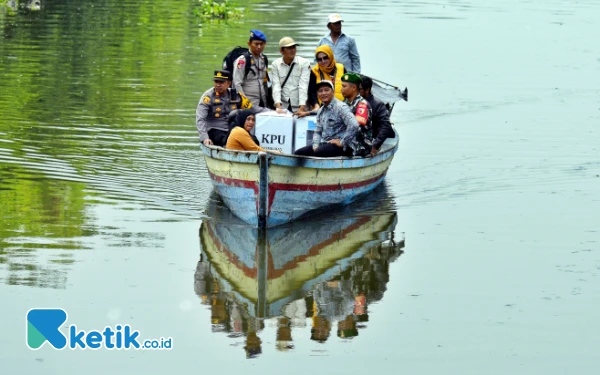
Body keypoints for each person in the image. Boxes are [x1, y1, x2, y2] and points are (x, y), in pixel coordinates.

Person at [294, 80, 359, 158]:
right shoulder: (321, 111)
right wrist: (315, 145)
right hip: (325, 144)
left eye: (326, 90)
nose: (323, 93)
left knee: (319, 152)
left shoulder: (341, 107)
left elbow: (354, 125)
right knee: (298, 154)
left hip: (344, 147)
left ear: (333, 92)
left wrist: (342, 142)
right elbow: (317, 131)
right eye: (320, 91)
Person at [196, 70, 253, 147]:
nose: (218, 85)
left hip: (233, 129)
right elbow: (200, 119)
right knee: (226, 140)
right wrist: (205, 138)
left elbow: (251, 109)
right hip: (215, 130)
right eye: (216, 82)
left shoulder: (236, 95)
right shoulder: (208, 97)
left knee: (254, 140)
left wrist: (271, 111)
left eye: (221, 82)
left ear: (229, 83)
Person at [270, 37, 311, 113]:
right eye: (289, 48)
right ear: (281, 51)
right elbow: (276, 86)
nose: (292, 50)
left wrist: (302, 107)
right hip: (283, 104)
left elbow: (303, 86)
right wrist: (278, 106)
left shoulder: (304, 63)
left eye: (294, 47)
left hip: (298, 104)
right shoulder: (275, 64)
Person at [359, 75, 395, 156]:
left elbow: (386, 127)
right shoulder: (356, 102)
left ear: (367, 90)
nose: (357, 91)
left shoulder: (378, 105)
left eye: (359, 89)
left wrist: (375, 145)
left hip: (376, 136)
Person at [232, 29, 270, 108]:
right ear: (249, 44)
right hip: (247, 102)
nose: (259, 47)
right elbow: (237, 83)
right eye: (256, 44)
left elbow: (264, 81)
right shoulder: (242, 60)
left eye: (261, 44)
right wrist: (244, 101)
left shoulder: (264, 59)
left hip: (262, 101)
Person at [341, 72, 373, 157]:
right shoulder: (345, 103)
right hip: (348, 141)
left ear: (354, 88)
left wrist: (341, 142)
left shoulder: (362, 105)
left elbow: (357, 129)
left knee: (327, 150)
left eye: (344, 86)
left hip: (360, 145)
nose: (341, 89)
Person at [306, 45, 346, 111]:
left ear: (330, 56)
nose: (323, 61)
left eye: (325, 58)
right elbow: (312, 92)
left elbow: (347, 87)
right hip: (322, 108)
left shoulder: (341, 68)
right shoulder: (314, 71)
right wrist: (316, 105)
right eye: (319, 59)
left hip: (341, 107)